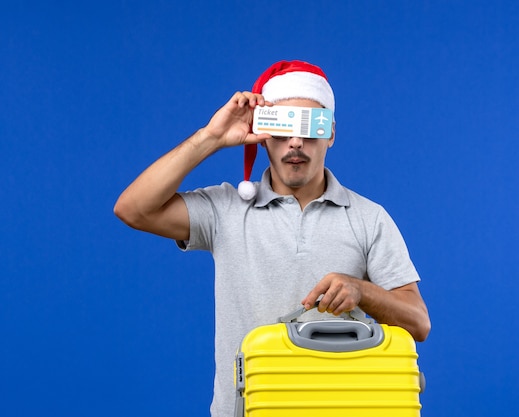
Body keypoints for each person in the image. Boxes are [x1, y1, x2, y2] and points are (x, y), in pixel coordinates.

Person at [114, 60, 430, 417]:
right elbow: (133, 209)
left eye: (311, 126)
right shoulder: (225, 210)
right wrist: (211, 137)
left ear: (331, 134)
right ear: (262, 133)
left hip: (343, 407)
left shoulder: (369, 218)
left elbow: (418, 323)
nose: (296, 141)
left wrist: (363, 290)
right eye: (281, 126)